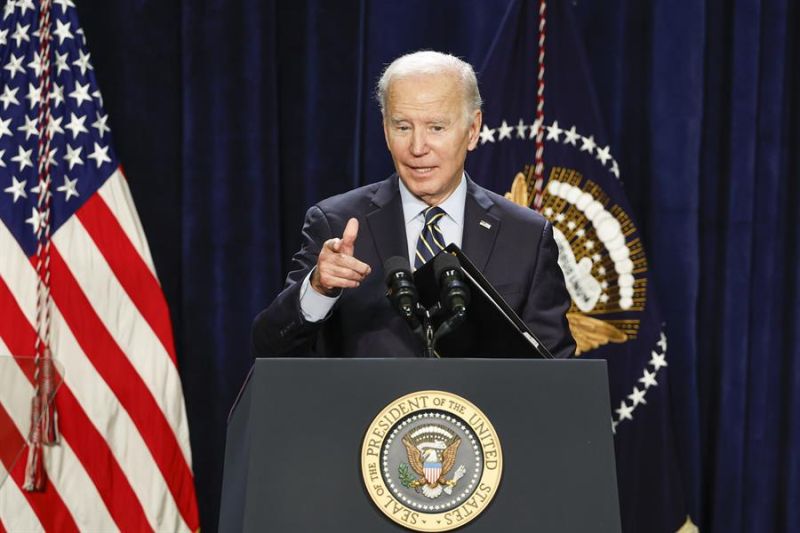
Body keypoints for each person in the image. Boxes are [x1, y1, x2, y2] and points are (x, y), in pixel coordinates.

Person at [252, 51, 575, 359]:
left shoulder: (525, 236)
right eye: (403, 127)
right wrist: (319, 288)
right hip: (366, 416)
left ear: (473, 130)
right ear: (385, 129)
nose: (418, 147)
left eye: (436, 127)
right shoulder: (336, 222)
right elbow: (271, 348)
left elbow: (554, 371)